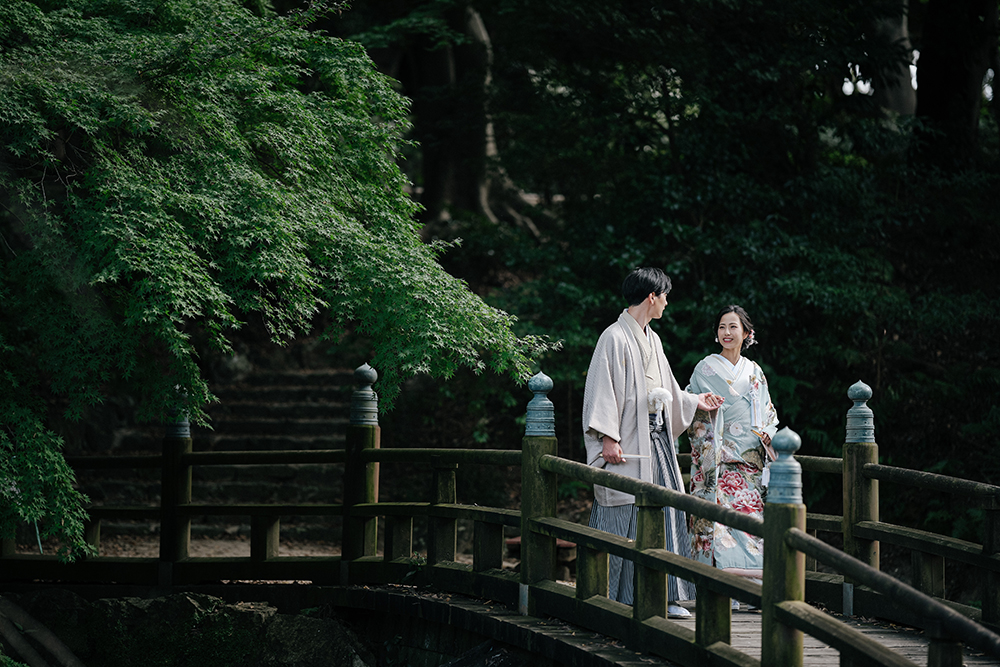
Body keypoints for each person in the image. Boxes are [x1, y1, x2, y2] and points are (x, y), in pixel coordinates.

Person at [583, 267, 724, 618]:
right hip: (628, 439)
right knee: (624, 510)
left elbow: (669, 390)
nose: (666, 303)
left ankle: (668, 594)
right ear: (652, 297)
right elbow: (602, 390)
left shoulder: (653, 339)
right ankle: (616, 594)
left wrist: (694, 402)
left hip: (656, 438)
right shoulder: (613, 337)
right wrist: (608, 436)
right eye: (665, 296)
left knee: (668, 508)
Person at [686, 305, 779, 608]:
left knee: (749, 525)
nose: (727, 333)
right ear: (716, 334)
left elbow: (767, 412)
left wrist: (767, 433)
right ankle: (720, 590)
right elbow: (690, 405)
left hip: (749, 463)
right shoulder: (705, 369)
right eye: (722, 327)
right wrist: (702, 405)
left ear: (746, 334)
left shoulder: (755, 372)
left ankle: (752, 591)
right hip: (718, 462)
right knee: (718, 526)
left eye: (733, 327)